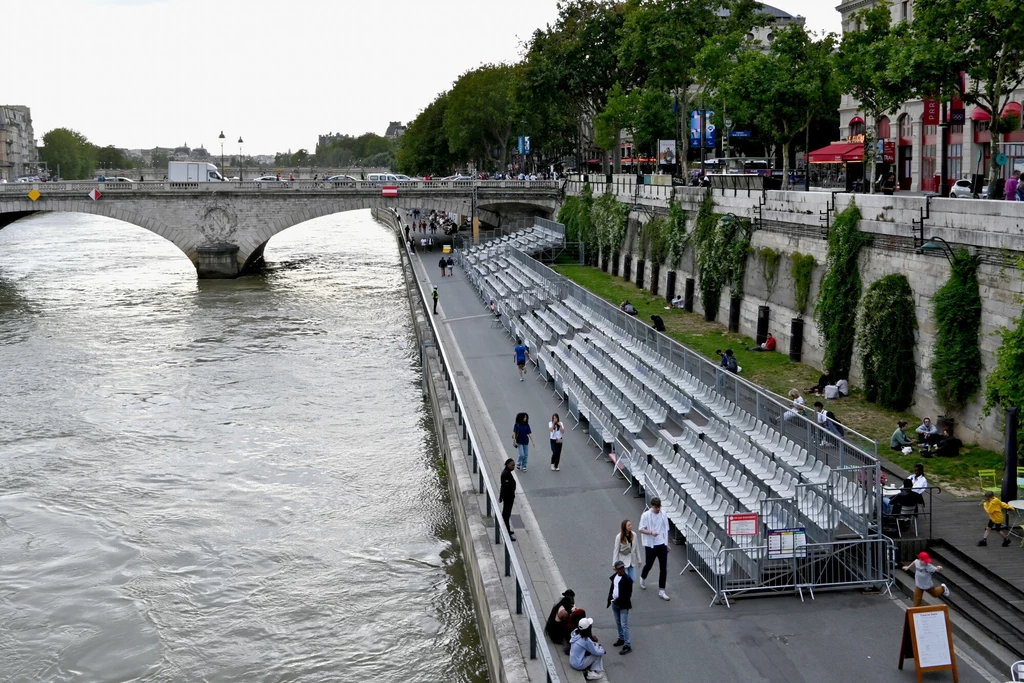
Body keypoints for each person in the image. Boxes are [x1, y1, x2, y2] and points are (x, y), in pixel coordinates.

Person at [639, 497, 671, 601]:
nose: (658, 509)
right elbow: (641, 529)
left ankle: (662, 590)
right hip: (650, 545)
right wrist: (651, 532)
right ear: (652, 506)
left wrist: (666, 543)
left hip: (661, 544)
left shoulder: (663, 515)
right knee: (649, 564)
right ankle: (643, 577)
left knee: (663, 568)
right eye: (656, 507)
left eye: (659, 507)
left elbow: (665, 530)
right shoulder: (646, 515)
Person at [607, 560, 633, 655]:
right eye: (620, 568)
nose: (622, 569)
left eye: (623, 567)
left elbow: (628, 595)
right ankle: (621, 638)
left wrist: (616, 601)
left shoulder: (627, 579)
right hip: (615, 604)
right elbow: (613, 588)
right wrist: (611, 599)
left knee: (624, 624)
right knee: (618, 623)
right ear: (616, 569)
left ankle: (627, 645)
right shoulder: (615, 577)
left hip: (623, 605)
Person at [498, 458, 517, 541]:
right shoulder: (505, 474)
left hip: (510, 497)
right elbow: (503, 487)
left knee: (507, 514)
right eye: (512, 465)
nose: (514, 467)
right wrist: (501, 497)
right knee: (506, 515)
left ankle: (508, 530)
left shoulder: (508, 472)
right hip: (508, 497)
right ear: (508, 465)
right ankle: (507, 533)